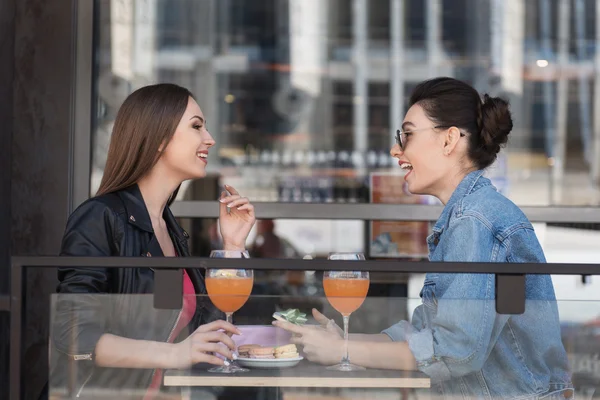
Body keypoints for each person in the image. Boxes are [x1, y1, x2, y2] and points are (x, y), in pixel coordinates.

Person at [274, 77, 573, 399]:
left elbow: (455, 352)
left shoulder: (473, 220)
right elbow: (426, 334)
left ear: (449, 139)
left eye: (407, 134)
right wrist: (344, 341)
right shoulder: (470, 214)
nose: (395, 149)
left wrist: (345, 351)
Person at [50, 83, 256, 399]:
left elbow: (200, 333)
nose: (209, 139)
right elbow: (73, 334)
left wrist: (232, 246)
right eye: (196, 126)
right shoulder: (100, 216)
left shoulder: (167, 229)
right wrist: (174, 354)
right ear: (159, 139)